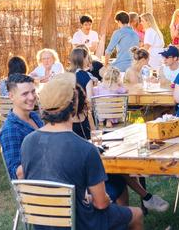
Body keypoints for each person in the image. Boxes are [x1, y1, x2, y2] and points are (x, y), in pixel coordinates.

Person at [19, 73, 144, 230]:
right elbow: (101, 203)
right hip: (79, 222)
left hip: (43, 223)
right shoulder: (86, 149)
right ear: (73, 105)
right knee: (137, 214)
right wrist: (93, 199)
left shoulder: (27, 142)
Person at [0, 74, 43, 180]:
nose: (32, 97)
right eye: (25, 94)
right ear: (11, 96)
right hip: (36, 189)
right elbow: (18, 174)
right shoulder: (10, 129)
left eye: (33, 91)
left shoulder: (34, 116)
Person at [68, 47, 96, 138]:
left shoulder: (66, 74)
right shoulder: (86, 76)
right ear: (83, 59)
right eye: (87, 58)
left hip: (66, 118)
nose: (88, 60)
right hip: (82, 118)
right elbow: (89, 101)